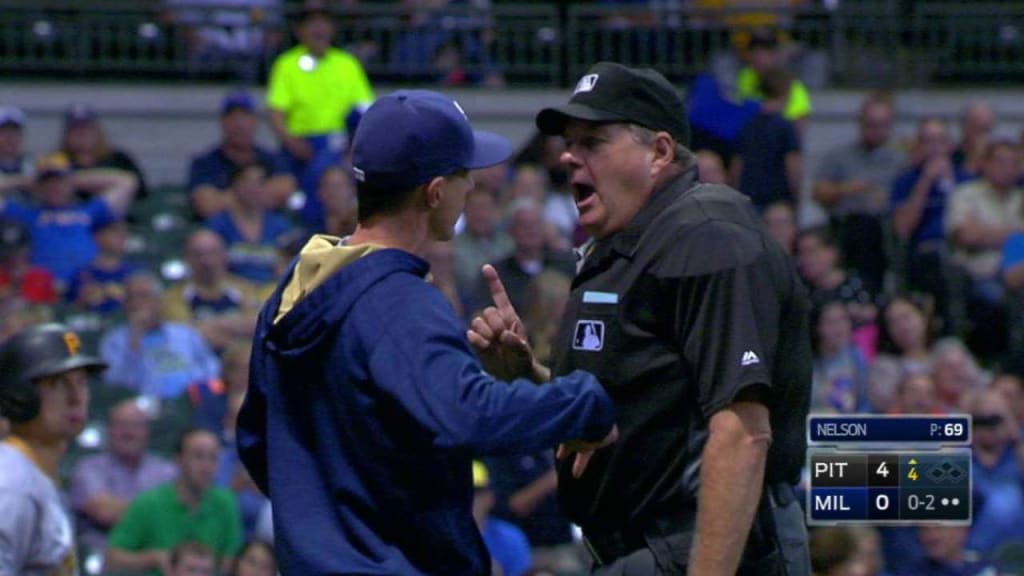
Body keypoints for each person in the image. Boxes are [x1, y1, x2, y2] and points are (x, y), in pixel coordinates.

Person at [236, 89, 618, 575]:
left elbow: (256, 441)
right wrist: (587, 400)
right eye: (464, 175)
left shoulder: (299, 283)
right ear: (435, 192)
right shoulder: (401, 301)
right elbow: (468, 416)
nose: (472, 186)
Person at [472, 61, 813, 575]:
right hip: (636, 548)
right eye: (570, 142)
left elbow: (743, 432)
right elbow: (632, 416)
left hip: (704, 547)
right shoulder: (623, 246)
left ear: (659, 151)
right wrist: (527, 374)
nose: (569, 156)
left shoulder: (710, 237)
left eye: (593, 141)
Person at [0, 322, 107, 575]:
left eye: (81, 383)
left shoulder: (35, 474)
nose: (75, 397)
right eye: (58, 384)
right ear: (19, 396)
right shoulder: (12, 486)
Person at [266, 4, 375, 230]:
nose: (318, 29)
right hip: (298, 144)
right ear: (300, 31)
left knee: (328, 171)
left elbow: (365, 110)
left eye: (323, 23)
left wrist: (353, 146)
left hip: (340, 143)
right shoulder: (287, 64)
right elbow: (276, 114)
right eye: (312, 24)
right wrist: (291, 142)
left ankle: (316, 228)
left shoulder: (347, 64)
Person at [105, 428, 243, 575]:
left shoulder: (226, 503)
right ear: (178, 460)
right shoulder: (149, 503)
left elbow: (231, 560)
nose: (206, 466)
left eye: (213, 458)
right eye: (198, 456)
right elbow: (112, 559)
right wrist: (152, 559)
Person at [70, 399, 177, 550]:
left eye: (136, 426)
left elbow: (178, 515)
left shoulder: (167, 472)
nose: (128, 433)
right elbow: (105, 512)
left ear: (147, 431)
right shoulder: (89, 469)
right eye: (121, 425)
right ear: (109, 430)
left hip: (156, 562)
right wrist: (158, 512)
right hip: (101, 559)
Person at [187, 91, 296, 220]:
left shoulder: (272, 159)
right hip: (222, 233)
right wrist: (257, 194)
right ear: (223, 122)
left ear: (254, 121)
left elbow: (284, 190)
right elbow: (207, 206)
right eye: (233, 118)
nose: (239, 125)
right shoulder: (204, 163)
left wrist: (228, 198)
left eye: (244, 117)